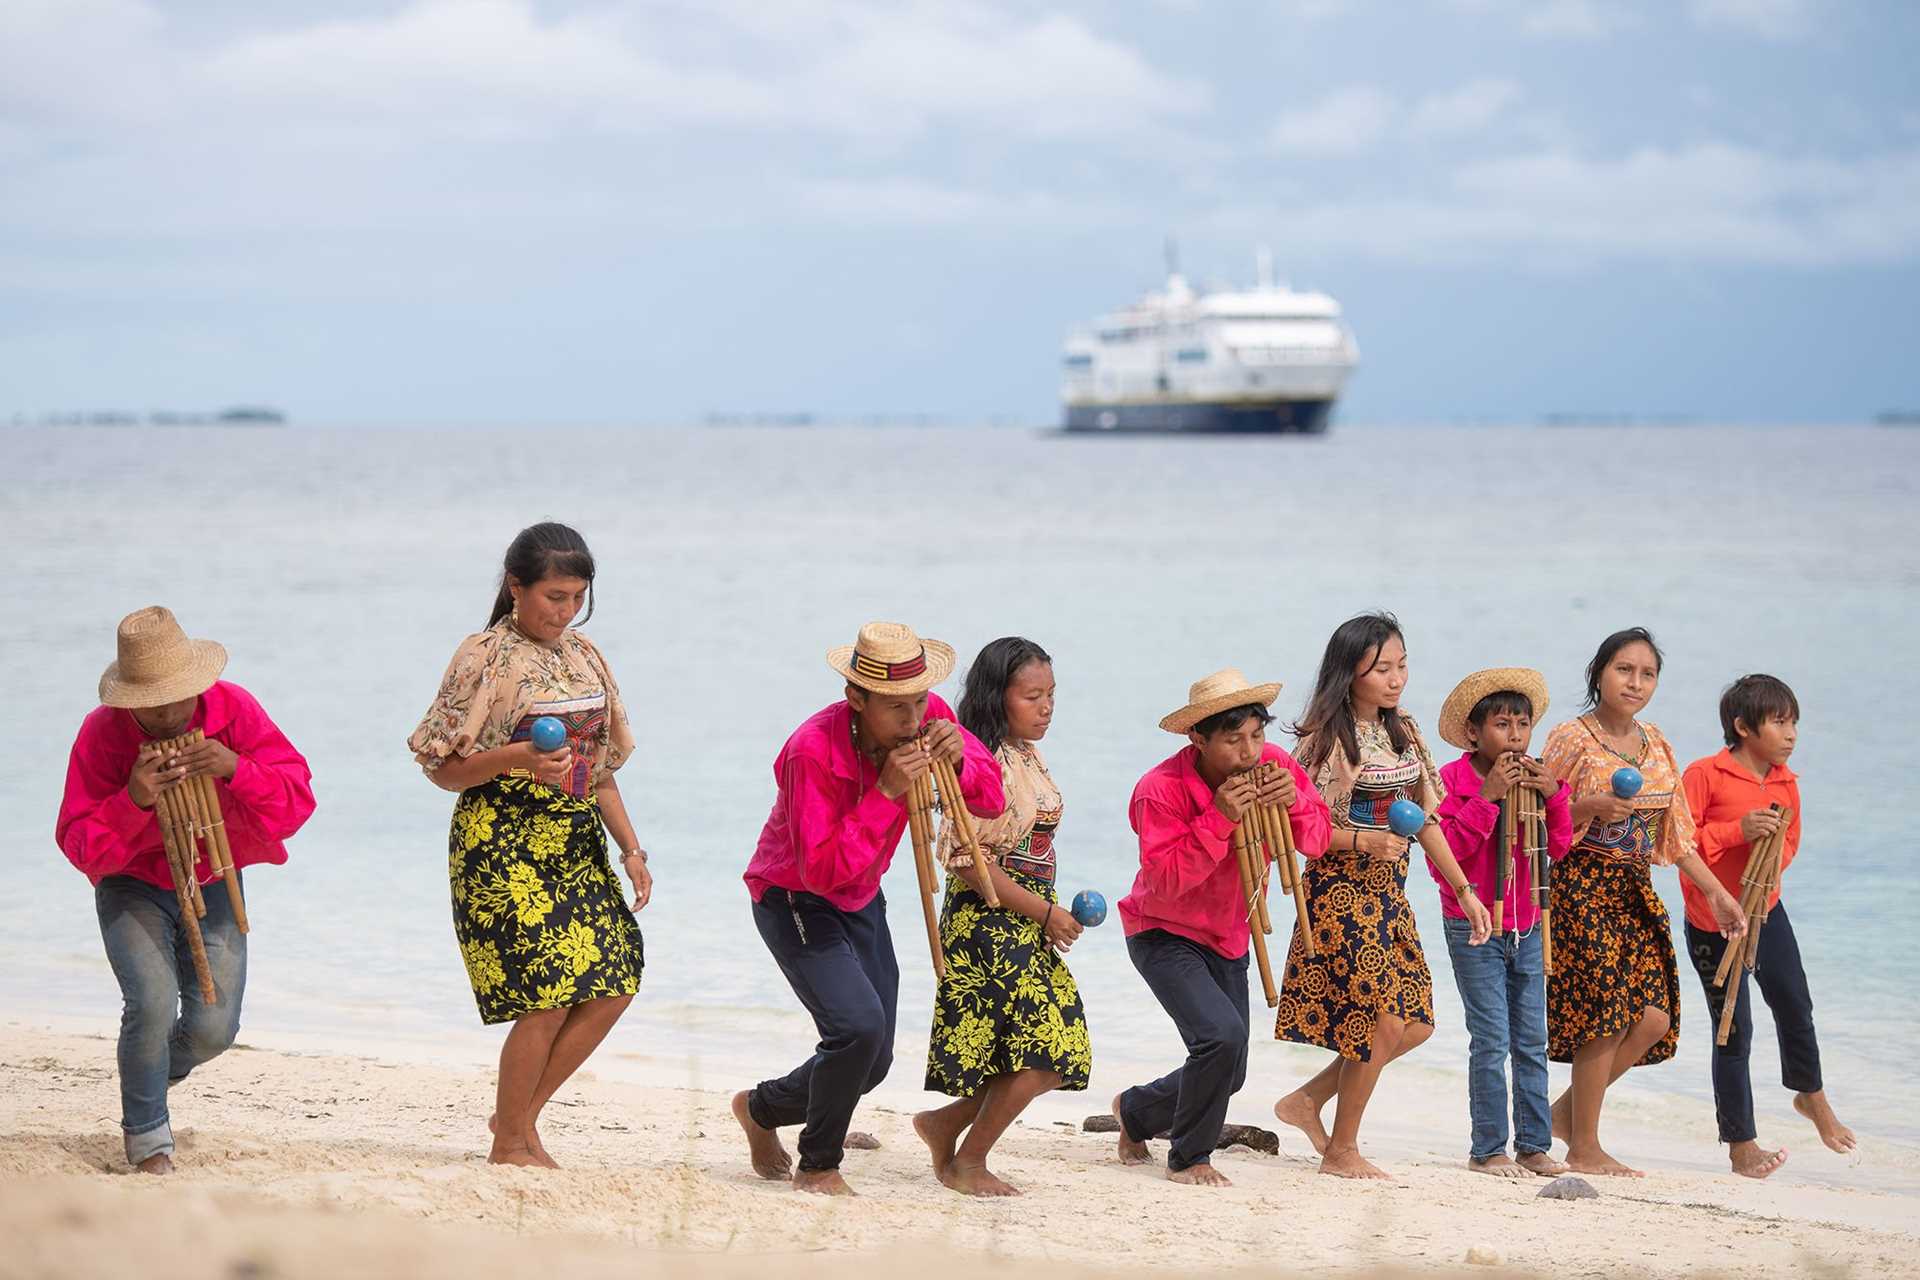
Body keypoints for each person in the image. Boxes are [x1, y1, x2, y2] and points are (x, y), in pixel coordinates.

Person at [408, 522, 652, 1168]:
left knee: (617, 977)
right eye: (554, 596)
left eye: (577, 597)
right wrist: (515, 756)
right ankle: (511, 1143)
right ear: (516, 586)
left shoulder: (586, 657)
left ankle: (516, 1118)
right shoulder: (482, 657)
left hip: (573, 844)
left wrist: (631, 849)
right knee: (547, 992)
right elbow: (441, 769)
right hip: (501, 842)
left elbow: (598, 770)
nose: (566, 611)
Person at [734, 621, 1003, 1195]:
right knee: (857, 1029)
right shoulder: (811, 750)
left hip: (861, 897)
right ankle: (819, 1166)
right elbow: (821, 870)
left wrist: (962, 763)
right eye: (896, 709)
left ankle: (760, 1110)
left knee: (872, 1059)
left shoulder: (932, 722)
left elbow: (991, 799)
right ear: (855, 698)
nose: (914, 721)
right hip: (794, 897)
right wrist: (884, 793)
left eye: (920, 703)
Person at [56, 605, 315, 1174]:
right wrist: (134, 802)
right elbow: (78, 845)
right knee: (149, 1002)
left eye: (179, 696)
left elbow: (298, 802)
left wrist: (234, 767)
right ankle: (148, 1141)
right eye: (153, 702)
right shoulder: (102, 733)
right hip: (134, 883)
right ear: (129, 698)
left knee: (214, 1028)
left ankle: (147, 1077)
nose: (170, 713)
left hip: (215, 875)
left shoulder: (234, 709)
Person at [1272, 613, 1492, 1180]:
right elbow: (1302, 832)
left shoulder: (1406, 732)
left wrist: (1465, 891)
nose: (1396, 679)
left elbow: (1429, 821)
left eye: (1402, 665)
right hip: (1339, 892)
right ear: (1350, 674)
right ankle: (1342, 1151)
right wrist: (1361, 839)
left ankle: (1306, 1102)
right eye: (1382, 669)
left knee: (1416, 1022)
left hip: (1390, 893)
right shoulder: (1326, 741)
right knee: (1381, 1020)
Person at [1113, 668, 1331, 1187]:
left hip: (1229, 934)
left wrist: (1296, 801)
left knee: (1230, 1072)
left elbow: (1317, 842)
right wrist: (1217, 817)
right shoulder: (1158, 790)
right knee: (1220, 1038)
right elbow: (1165, 884)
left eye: (1257, 735)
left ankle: (1137, 1112)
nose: (1250, 752)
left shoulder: (1274, 765)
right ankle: (1190, 1158)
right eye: (1233, 740)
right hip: (1162, 931)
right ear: (1199, 738)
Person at [1541, 626, 1746, 1177]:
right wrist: (1589, 807)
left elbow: (1676, 835)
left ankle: (1564, 1117)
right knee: (1605, 1015)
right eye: (1624, 670)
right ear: (1599, 674)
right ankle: (1584, 1145)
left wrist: (1717, 892)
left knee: (1653, 1018)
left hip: (1634, 890)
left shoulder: (1657, 743)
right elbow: (1538, 818)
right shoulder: (1570, 737)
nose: (1635, 682)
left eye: (1647, 673)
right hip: (1578, 887)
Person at [913, 637, 1092, 1196]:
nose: (1046, 707)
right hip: (987, 921)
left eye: (1051, 695)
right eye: (1032, 696)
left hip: (1024, 919)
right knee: (1046, 1050)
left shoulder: (1025, 752)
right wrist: (1045, 912)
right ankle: (968, 1161)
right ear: (997, 698)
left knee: (1045, 1050)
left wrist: (1045, 912)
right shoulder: (979, 761)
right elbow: (966, 862)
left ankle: (945, 1127)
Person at [1680, 673, 1854, 1178]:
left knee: (1796, 1004)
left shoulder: (1786, 781)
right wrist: (1739, 830)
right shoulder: (1704, 774)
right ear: (1742, 726)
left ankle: (1811, 1096)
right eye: (1780, 722)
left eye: (1794, 722)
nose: (1791, 733)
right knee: (1733, 1029)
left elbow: (1790, 842)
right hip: (1712, 920)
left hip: (1764, 911)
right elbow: (1681, 844)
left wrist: (1772, 862)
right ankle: (1741, 1145)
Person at [1432, 667, 1573, 1178]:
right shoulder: (1450, 781)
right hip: (1473, 925)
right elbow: (1447, 856)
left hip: (1529, 923)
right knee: (1490, 1038)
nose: (1514, 737)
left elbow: (1558, 848)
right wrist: (1487, 797)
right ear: (1474, 732)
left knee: (1532, 1038)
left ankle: (1534, 1145)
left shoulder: (1535, 777)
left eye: (1522, 725)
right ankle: (1487, 1149)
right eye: (1501, 725)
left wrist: (1555, 796)